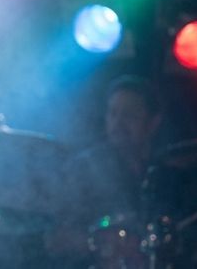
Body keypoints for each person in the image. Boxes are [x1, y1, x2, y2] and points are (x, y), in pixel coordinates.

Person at [45, 75, 171, 268]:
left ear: (153, 122)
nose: (118, 123)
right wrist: (103, 244)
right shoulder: (84, 169)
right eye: (113, 113)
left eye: (129, 115)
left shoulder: (166, 174)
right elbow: (54, 238)